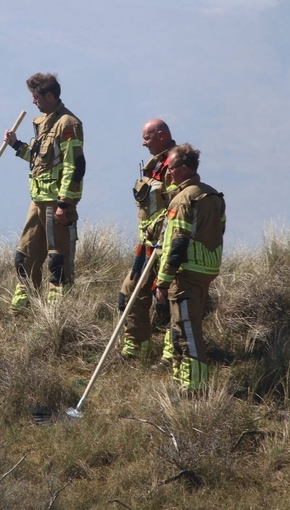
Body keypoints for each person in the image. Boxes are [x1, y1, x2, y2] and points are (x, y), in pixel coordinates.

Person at [4, 72, 85, 311]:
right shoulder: (43, 123)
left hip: (56, 203)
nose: (33, 101)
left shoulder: (68, 124)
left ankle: (57, 313)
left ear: (49, 95)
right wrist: (17, 146)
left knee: (57, 260)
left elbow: (74, 165)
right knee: (25, 255)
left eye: (36, 96)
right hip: (37, 200)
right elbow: (40, 160)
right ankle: (23, 307)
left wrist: (64, 202)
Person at [154, 143, 226, 391]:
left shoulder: (182, 200)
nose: (168, 173)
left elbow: (177, 244)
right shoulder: (214, 195)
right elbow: (220, 230)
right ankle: (180, 380)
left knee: (187, 332)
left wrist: (162, 282)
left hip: (185, 274)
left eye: (171, 168)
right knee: (179, 329)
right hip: (206, 270)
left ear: (184, 169)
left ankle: (194, 387)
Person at [119, 119, 176, 360]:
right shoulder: (155, 164)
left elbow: (176, 208)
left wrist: (162, 240)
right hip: (146, 243)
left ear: (162, 135)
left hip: (164, 244)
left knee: (167, 300)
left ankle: (172, 353)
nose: (143, 143)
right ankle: (136, 347)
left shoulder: (174, 165)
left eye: (148, 137)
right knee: (130, 291)